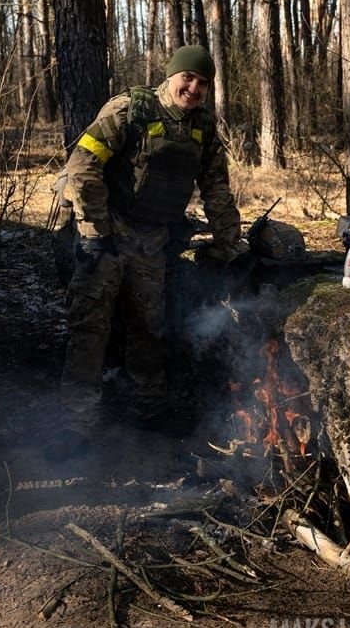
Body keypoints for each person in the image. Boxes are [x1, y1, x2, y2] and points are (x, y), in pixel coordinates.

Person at [60, 44, 242, 427]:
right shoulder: (130, 110)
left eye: (203, 83)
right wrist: (95, 233)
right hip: (107, 232)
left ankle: (149, 408)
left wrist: (229, 243)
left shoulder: (203, 128)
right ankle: (76, 420)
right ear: (171, 75)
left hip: (152, 241)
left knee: (147, 324)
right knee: (90, 325)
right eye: (187, 77)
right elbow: (82, 167)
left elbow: (217, 189)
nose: (193, 88)